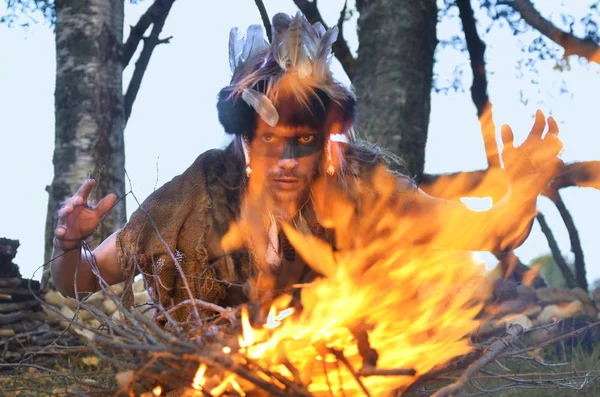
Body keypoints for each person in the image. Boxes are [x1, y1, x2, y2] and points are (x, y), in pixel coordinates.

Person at [50, 13, 563, 323]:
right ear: (246, 138)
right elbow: (76, 281)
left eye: (304, 142)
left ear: (327, 140)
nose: (288, 163)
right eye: (271, 140)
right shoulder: (196, 195)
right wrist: (70, 243)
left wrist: (521, 194)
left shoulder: (363, 185)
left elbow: (492, 231)